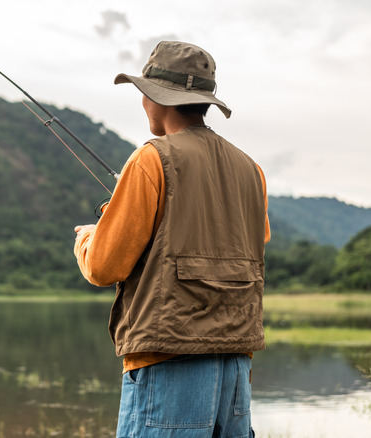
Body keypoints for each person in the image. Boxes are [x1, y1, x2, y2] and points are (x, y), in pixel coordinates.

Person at [73, 41, 271, 438]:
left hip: (169, 362)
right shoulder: (252, 169)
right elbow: (254, 240)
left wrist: (90, 237)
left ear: (155, 98)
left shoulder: (151, 158)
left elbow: (103, 267)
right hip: (235, 366)